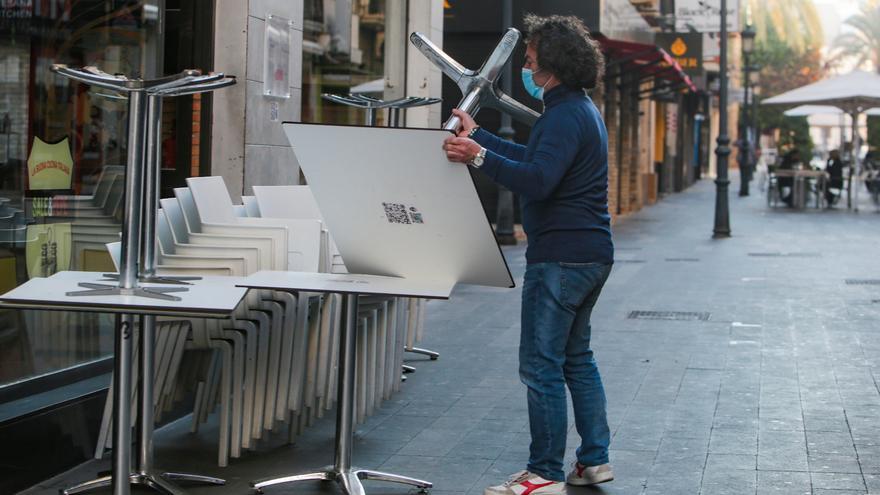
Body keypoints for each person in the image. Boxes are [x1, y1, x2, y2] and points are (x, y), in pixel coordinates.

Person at [443, 14, 614, 495]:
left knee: (540, 365)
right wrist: (478, 138)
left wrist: (474, 157)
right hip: (588, 254)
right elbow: (534, 160)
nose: (528, 70)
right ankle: (594, 462)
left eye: (533, 62)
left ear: (554, 67)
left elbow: (537, 180)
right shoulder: (576, 110)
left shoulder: (563, 115)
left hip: (560, 258)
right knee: (576, 359)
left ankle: (544, 474)